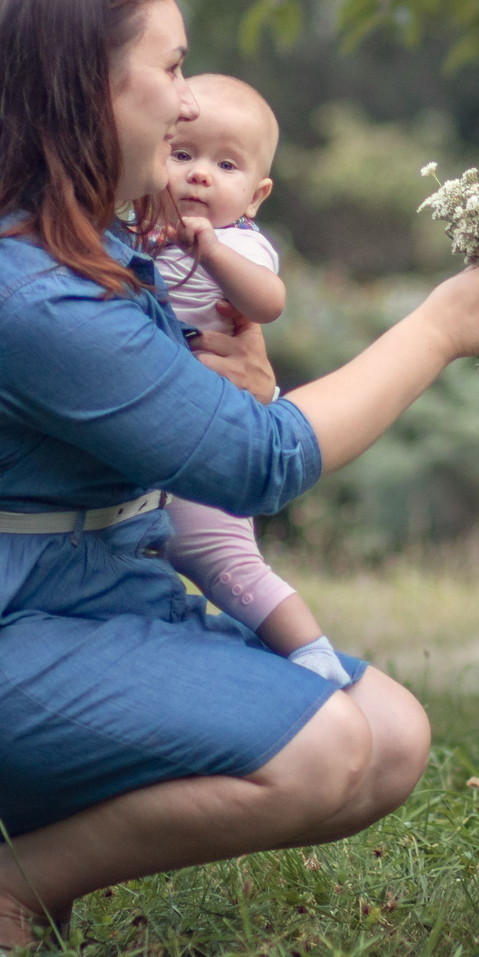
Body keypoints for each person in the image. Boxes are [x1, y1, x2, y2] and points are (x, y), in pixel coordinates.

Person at [0, 0, 479, 957]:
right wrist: (440, 328)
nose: (187, 105)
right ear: (91, 82)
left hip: (87, 598)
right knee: (321, 754)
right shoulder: (35, 292)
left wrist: (245, 379)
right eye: (171, 68)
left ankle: (23, 850)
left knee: (389, 736)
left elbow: (209, 398)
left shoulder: (92, 236)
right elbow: (256, 463)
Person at [145, 74, 349, 684]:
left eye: (224, 164)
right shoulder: (134, 227)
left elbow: (267, 303)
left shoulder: (241, 244)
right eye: (182, 155)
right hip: (144, 439)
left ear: (256, 195)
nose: (199, 174)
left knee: (222, 557)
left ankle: (311, 653)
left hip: (212, 438)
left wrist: (210, 252)